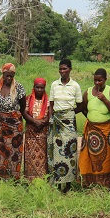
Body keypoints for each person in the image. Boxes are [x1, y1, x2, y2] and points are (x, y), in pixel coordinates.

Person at [0, 63, 26, 180]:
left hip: (14, 125)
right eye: (7, 76)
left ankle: (14, 177)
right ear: (2, 74)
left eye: (11, 76)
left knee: (13, 151)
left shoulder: (19, 88)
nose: (9, 78)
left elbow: (23, 108)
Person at [78, 68, 110, 188]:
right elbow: (83, 107)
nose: (97, 83)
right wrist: (91, 117)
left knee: (107, 158)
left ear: (105, 79)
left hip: (106, 130)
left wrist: (104, 99)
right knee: (90, 157)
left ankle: (106, 183)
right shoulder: (88, 92)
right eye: (95, 80)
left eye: (100, 80)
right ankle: (90, 182)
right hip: (91, 130)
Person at [49, 58, 81, 191]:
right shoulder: (54, 85)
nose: (62, 71)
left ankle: (67, 184)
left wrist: (69, 116)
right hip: (56, 121)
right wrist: (52, 118)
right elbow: (51, 103)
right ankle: (57, 183)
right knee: (56, 153)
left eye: (65, 69)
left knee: (69, 152)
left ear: (70, 69)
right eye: (60, 69)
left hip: (68, 122)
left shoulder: (75, 86)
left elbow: (79, 105)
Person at [23, 78, 50, 180]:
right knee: (30, 155)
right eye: (37, 87)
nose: (39, 90)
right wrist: (35, 121)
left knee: (43, 155)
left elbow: (50, 114)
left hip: (43, 130)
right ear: (33, 87)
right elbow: (24, 113)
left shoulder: (48, 101)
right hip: (31, 130)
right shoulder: (28, 99)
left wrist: (42, 122)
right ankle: (29, 179)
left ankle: (42, 178)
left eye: (41, 88)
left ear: (44, 88)